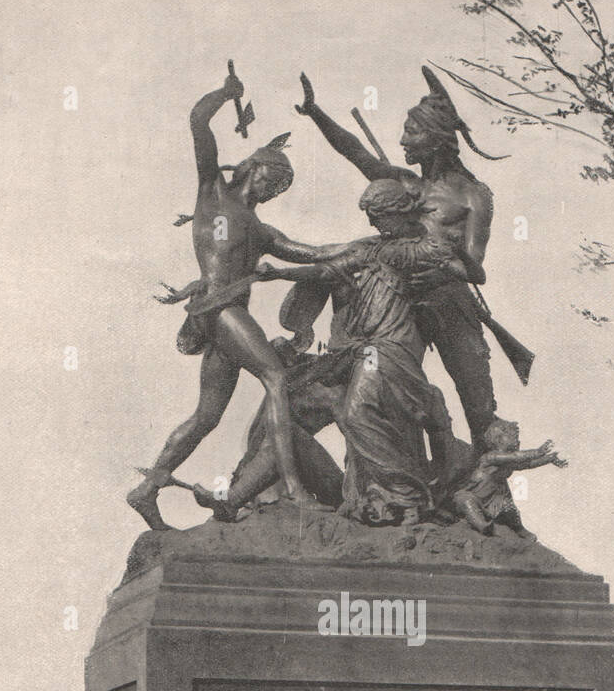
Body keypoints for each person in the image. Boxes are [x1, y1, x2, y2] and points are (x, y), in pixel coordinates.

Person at [127, 67, 355, 530]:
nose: (274, 191)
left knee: (206, 416)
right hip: (219, 308)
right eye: (274, 180)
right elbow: (198, 121)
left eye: (281, 188)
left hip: (224, 319)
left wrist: (366, 246)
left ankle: (147, 489)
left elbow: (313, 253)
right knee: (275, 377)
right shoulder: (211, 193)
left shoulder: (263, 230)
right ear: (254, 167)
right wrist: (225, 93)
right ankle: (292, 489)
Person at [191, 177, 482, 526]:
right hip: (353, 354)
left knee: (358, 414)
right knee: (288, 421)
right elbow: (325, 267)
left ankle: (405, 494)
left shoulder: (414, 251)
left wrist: (455, 247)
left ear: (397, 213)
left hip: (387, 349)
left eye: (377, 215)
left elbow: (473, 274)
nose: (372, 223)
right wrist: (280, 272)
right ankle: (233, 499)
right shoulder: (368, 249)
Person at [295, 66, 521, 453]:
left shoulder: (474, 195)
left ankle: (492, 489)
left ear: (435, 140)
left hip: (448, 302)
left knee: (477, 399)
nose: (402, 140)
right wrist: (316, 113)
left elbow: (475, 267)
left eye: (412, 132)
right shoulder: (404, 182)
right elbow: (355, 152)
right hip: (397, 305)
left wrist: (433, 263)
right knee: (381, 390)